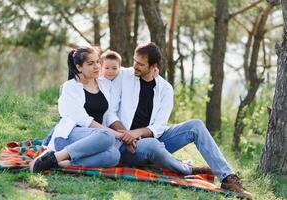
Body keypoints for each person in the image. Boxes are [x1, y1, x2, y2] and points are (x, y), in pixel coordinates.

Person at [107, 42, 252, 199]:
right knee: (154, 146)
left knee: (195, 125)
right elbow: (110, 111)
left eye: (140, 64)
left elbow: (159, 126)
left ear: (153, 66)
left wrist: (135, 133)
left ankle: (227, 178)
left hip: (151, 137)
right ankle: (186, 169)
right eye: (135, 61)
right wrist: (126, 135)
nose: (135, 66)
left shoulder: (165, 88)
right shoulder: (123, 76)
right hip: (125, 144)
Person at [30, 46, 124, 172]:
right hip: (69, 137)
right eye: (91, 64)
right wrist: (117, 134)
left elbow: (123, 71)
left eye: (97, 62)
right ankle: (56, 156)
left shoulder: (104, 84)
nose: (97, 66)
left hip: (94, 139)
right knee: (108, 136)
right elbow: (85, 121)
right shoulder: (70, 88)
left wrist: (154, 73)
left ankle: (63, 163)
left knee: (114, 155)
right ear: (79, 67)